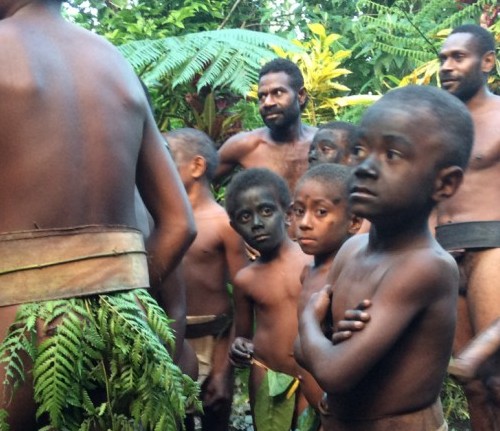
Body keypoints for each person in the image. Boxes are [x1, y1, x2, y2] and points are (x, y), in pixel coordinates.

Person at [0, 1, 197, 429]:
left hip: (17, 345)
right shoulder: (114, 62)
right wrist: (116, 291)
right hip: (128, 335)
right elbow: (181, 224)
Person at [297, 85, 473, 431]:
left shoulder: (425, 266)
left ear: (445, 184)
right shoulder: (350, 250)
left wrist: (309, 319)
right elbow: (302, 352)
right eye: (360, 149)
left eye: (392, 154)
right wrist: (324, 341)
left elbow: (334, 372)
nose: (364, 167)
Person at [436, 24, 500, 431]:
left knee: (495, 379)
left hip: (492, 248)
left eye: (458, 57)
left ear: (488, 62)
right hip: (440, 254)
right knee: (471, 384)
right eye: (443, 58)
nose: (446, 66)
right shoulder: (436, 124)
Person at [165, 128, 248, 431]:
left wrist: (223, 370)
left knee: (215, 414)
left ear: (197, 167)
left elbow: (242, 298)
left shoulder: (223, 224)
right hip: (172, 338)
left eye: (167, 158)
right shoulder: (159, 219)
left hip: (214, 339)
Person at [225, 168, 312, 430]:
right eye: (244, 216)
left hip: (313, 375)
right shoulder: (246, 279)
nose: (256, 223)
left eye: (265, 211)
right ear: (234, 226)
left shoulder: (313, 263)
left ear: (287, 214)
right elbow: (243, 335)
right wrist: (238, 347)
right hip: (266, 374)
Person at [292, 163, 362, 424]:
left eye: (321, 212)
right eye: (299, 212)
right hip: (317, 408)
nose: (305, 224)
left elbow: (352, 352)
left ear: (354, 221)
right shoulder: (307, 273)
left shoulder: (347, 277)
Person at [215, 58, 317, 193]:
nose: (267, 102)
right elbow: (192, 182)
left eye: (278, 93)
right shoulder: (244, 146)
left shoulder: (324, 145)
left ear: (301, 95)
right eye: (262, 96)